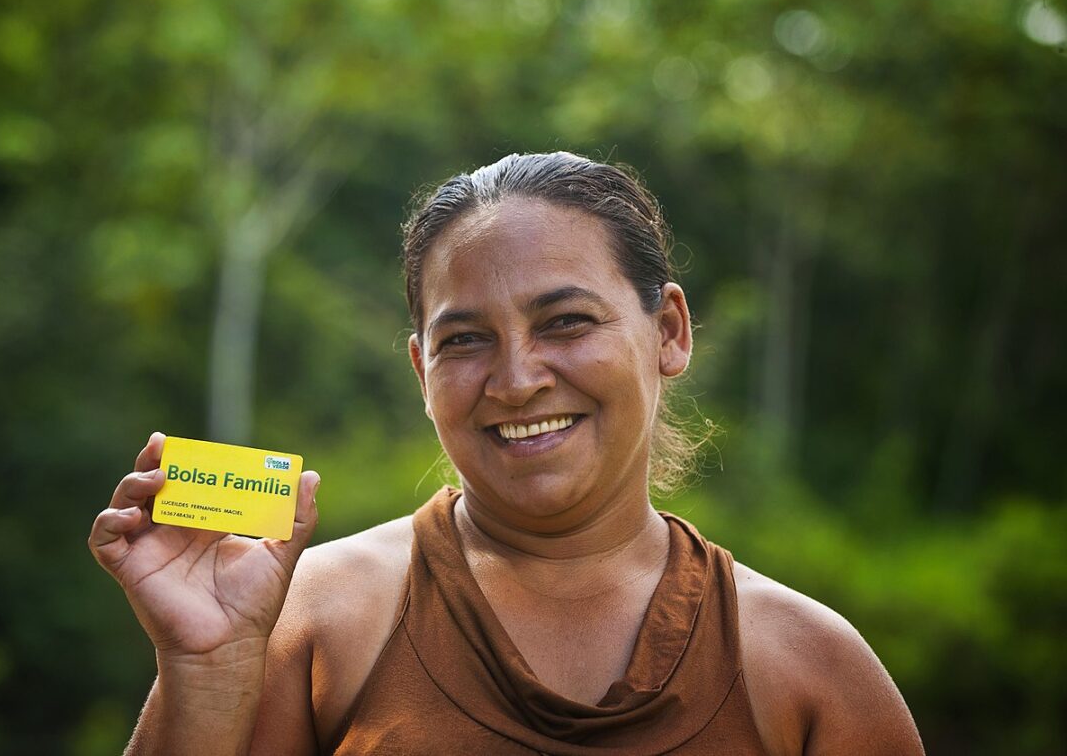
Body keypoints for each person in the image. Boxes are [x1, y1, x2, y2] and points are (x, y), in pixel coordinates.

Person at [89, 152, 925, 755]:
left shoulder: (808, 668)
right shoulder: (309, 624)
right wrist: (205, 672)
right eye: (466, 339)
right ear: (422, 369)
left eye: (565, 321)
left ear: (668, 331)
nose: (518, 379)